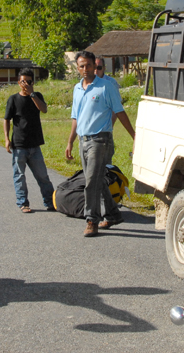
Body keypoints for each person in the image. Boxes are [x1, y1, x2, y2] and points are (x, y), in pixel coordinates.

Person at [65, 51, 136, 237]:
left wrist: (134, 136)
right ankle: (112, 214)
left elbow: (119, 111)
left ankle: (92, 221)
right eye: (82, 66)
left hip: (100, 140)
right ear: (78, 68)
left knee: (91, 182)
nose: (86, 69)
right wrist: (70, 142)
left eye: (89, 65)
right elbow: (75, 117)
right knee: (96, 180)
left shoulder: (105, 87)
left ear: (95, 67)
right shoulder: (77, 88)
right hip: (83, 140)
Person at [3, 68, 55, 213]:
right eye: (23, 81)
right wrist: (7, 139)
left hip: (35, 145)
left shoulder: (37, 96)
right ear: (18, 82)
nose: (25, 84)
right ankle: (23, 203)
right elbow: (7, 120)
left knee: (43, 176)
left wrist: (32, 94)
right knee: (19, 176)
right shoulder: (13, 99)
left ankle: (50, 202)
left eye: (29, 81)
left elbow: (44, 109)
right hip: (19, 144)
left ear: (33, 82)